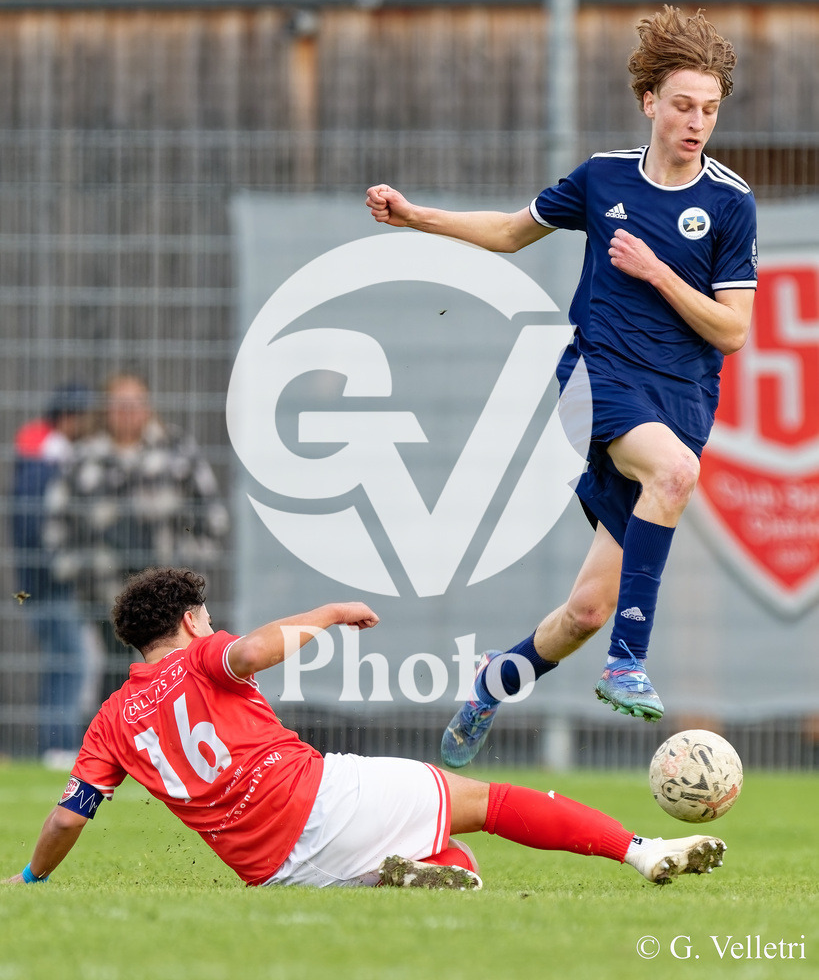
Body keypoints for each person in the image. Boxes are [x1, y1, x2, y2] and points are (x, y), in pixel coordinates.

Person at [365, 6, 758, 767]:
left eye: (708, 109)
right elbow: (512, 232)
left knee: (583, 609)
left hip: (680, 401)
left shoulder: (727, 203)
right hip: (596, 378)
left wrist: (656, 272)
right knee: (674, 475)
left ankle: (490, 685)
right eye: (681, 105)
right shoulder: (602, 178)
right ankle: (628, 662)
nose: (695, 122)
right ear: (648, 101)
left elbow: (732, 331)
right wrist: (417, 218)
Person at [4, 567, 727, 890]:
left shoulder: (109, 722)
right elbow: (251, 652)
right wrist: (326, 614)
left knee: (457, 866)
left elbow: (69, 819)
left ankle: (418, 877)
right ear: (190, 622)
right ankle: (641, 850)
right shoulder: (202, 654)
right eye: (208, 617)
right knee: (486, 802)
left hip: (273, 873)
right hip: (318, 801)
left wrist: (33, 875)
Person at [44, 373, 230, 703]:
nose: (127, 412)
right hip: (105, 596)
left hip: (168, 595)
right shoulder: (85, 457)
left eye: (134, 404)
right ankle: (116, 749)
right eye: (119, 405)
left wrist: (191, 570)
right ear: (107, 410)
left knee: (175, 677)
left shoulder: (176, 450)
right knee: (117, 681)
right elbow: (57, 523)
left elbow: (212, 515)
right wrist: (76, 570)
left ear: (147, 408)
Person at [11, 384, 95, 764]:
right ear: (70, 417)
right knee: (70, 661)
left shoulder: (36, 450)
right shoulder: (50, 455)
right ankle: (59, 746)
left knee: (62, 661)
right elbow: (36, 524)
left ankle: (55, 745)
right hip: (48, 581)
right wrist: (54, 567)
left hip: (35, 581)